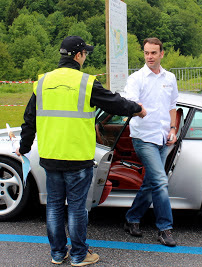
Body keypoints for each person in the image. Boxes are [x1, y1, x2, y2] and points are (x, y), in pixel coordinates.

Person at [16, 35, 146, 266]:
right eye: (85, 53)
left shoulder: (43, 82)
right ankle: (78, 255)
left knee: (54, 206)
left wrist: (24, 147)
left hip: (50, 156)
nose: (85, 56)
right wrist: (137, 109)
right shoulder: (85, 83)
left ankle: (58, 253)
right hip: (77, 158)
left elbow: (29, 119)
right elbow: (115, 103)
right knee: (76, 208)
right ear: (78, 55)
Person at [122, 37, 179, 247]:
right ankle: (165, 229)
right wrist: (138, 109)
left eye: (153, 53)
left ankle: (132, 218)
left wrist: (173, 128)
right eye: (146, 53)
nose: (149, 57)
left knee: (151, 182)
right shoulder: (136, 78)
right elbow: (130, 101)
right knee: (160, 181)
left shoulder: (170, 78)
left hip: (163, 137)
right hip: (143, 137)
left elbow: (172, 104)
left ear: (162, 54)